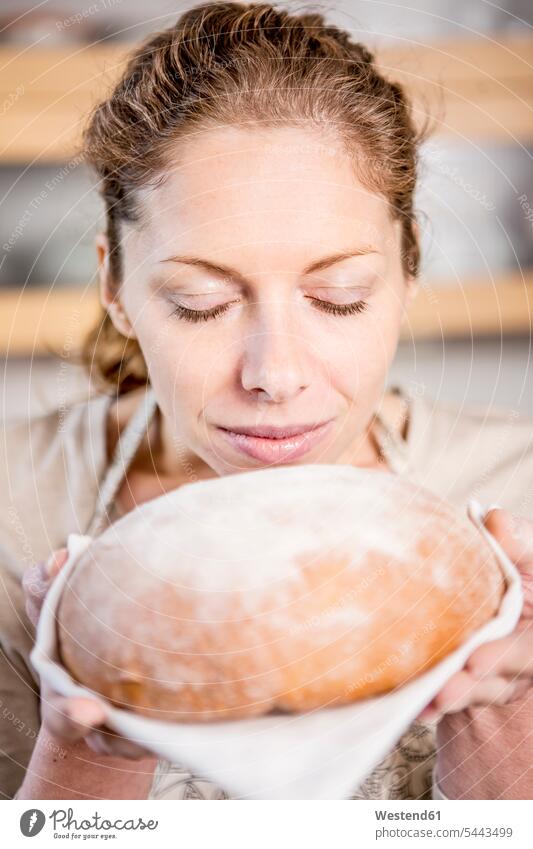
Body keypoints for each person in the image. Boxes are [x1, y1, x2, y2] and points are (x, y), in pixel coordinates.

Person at [1, 1, 532, 801]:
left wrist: (503, 724)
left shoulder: (519, 493)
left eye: (340, 296)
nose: (274, 374)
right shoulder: (13, 515)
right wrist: (92, 753)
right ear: (113, 286)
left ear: (407, 273)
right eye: (200, 301)